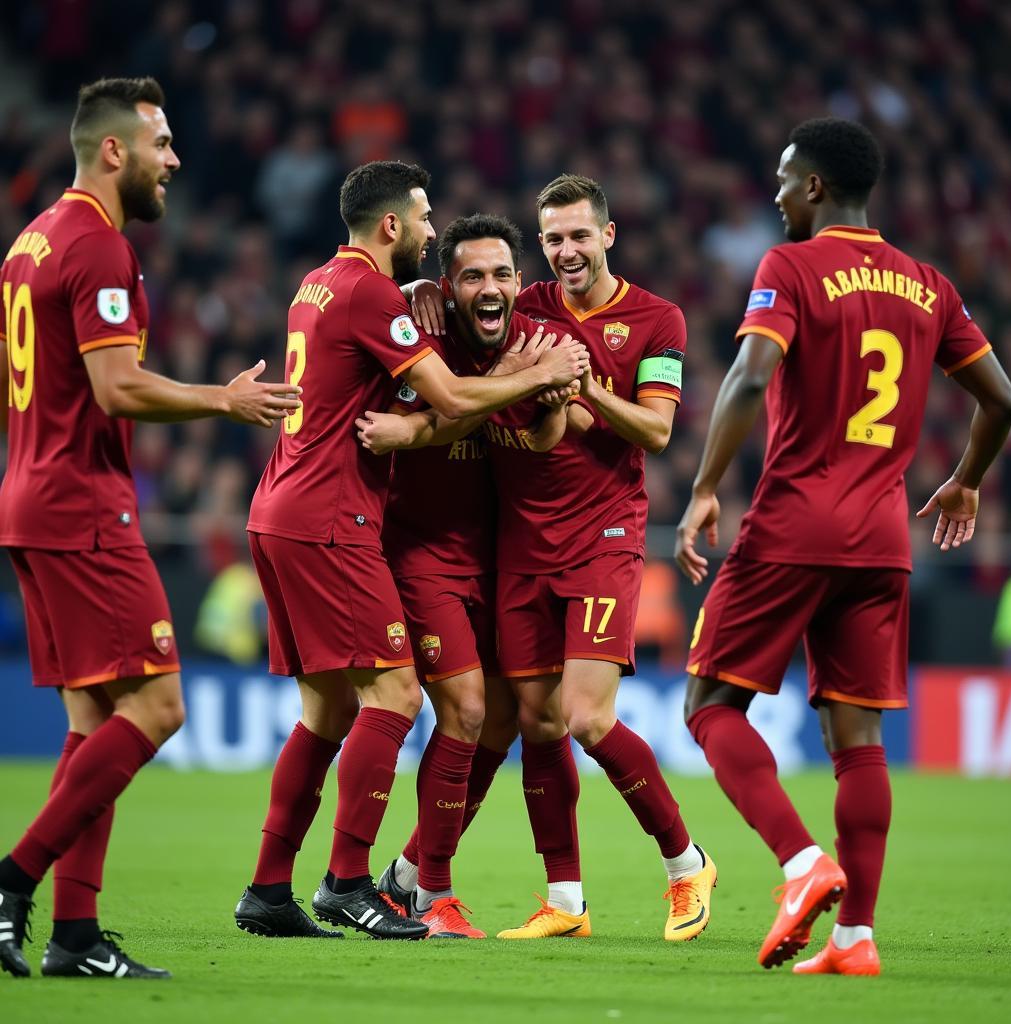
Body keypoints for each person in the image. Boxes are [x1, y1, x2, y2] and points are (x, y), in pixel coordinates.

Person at [675, 117, 1011, 974]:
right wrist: (968, 476)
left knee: (710, 708)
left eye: (786, 180)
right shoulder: (928, 284)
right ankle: (856, 938)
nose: (778, 194)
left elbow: (752, 373)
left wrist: (705, 487)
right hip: (881, 539)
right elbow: (1003, 402)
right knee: (856, 742)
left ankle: (799, 866)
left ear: (817, 187)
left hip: (794, 522)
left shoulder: (790, 265)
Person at [235, 165, 588, 941]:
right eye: (426, 220)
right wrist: (538, 371)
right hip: (332, 519)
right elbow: (456, 398)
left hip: (279, 507)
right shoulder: (370, 293)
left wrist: (419, 413)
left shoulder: (316, 284)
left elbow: (415, 398)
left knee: (325, 712)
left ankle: (267, 889)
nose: (432, 233)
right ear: (391, 225)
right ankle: (349, 884)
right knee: (393, 699)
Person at [0, 77, 301, 980]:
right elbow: (117, 387)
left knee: (96, 719)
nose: (175, 161)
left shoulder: (30, 241)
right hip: (82, 503)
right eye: (162, 145)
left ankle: (76, 936)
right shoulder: (97, 245)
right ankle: (13, 880)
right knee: (162, 705)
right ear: (114, 151)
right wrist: (226, 398)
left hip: (29, 493)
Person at [396, 175, 717, 942]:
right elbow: (470, 300)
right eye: (553, 239)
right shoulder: (523, 303)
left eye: (580, 235)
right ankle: (565, 901)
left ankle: (686, 863)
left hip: (602, 539)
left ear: (609, 235)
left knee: (585, 717)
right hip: (519, 547)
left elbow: (657, 432)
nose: (567, 250)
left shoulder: (656, 319)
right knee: (536, 723)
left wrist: (583, 385)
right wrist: (418, 287)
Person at [358, 212, 574, 938]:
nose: (490, 288)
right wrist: (418, 287)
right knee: (469, 711)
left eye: (502, 274)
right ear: (447, 287)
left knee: (505, 718)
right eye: (470, 276)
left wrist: (544, 392)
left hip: (500, 558)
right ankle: (431, 897)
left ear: (521, 281)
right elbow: (433, 412)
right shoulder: (419, 337)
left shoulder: (531, 332)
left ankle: (411, 873)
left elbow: (544, 442)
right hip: (421, 555)